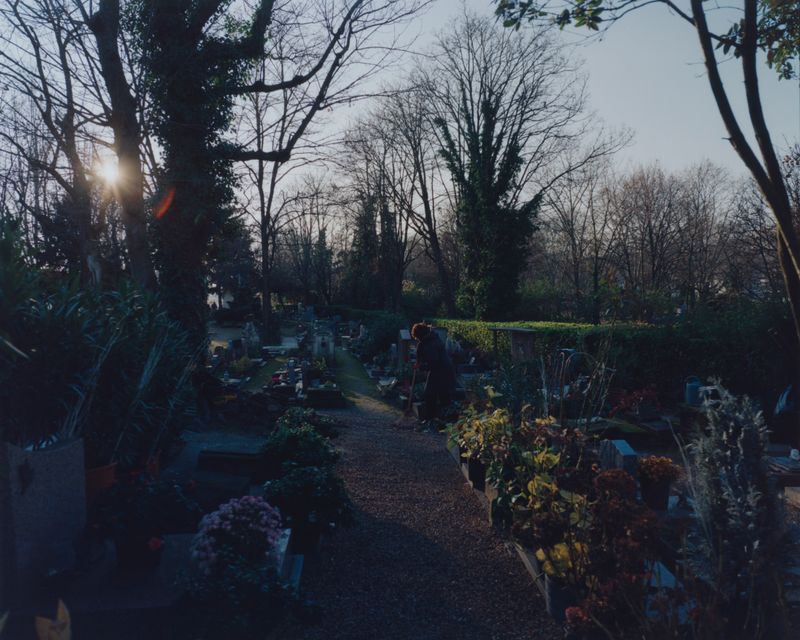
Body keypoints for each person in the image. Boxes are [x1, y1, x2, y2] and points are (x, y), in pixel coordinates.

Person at [411, 322, 457, 420]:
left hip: (440, 371)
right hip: (444, 370)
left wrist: (421, 367)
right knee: (443, 396)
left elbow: (433, 362)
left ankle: (432, 419)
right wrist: (419, 363)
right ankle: (444, 419)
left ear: (420, 335)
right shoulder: (432, 339)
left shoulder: (430, 344)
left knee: (431, 394)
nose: (417, 339)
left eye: (417, 337)